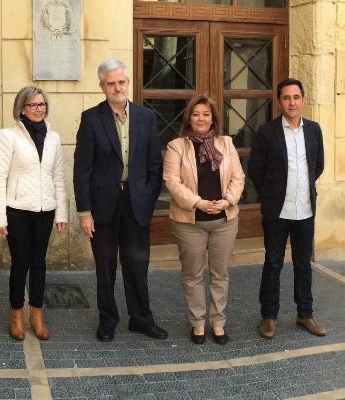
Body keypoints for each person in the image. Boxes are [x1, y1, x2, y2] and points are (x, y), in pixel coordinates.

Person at [73, 59, 166, 342]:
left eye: (121, 82)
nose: (117, 87)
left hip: (136, 202)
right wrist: (84, 211)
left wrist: (148, 199)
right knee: (105, 266)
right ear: (102, 87)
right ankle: (108, 321)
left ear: (128, 83)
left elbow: (154, 165)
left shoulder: (145, 117)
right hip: (102, 205)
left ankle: (141, 318)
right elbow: (82, 168)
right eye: (111, 83)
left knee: (137, 264)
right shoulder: (91, 119)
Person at [163, 95, 245, 345]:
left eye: (206, 114)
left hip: (225, 220)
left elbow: (238, 177)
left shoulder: (227, 143)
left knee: (220, 274)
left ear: (213, 118)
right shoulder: (176, 146)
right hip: (189, 222)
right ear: (189, 117)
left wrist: (228, 201)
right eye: (196, 114)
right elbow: (172, 182)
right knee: (193, 274)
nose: (201, 118)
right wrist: (197, 202)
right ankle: (198, 323)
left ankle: (218, 322)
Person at [248, 78, 326, 339]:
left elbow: (318, 165)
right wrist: (271, 194)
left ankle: (306, 314)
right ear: (279, 101)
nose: (292, 102)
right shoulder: (267, 131)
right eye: (286, 97)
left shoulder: (314, 130)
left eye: (296, 97)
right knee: (272, 264)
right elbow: (256, 170)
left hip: (305, 210)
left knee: (303, 266)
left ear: (302, 99)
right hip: (277, 212)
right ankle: (269, 317)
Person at [0, 85, 67, 341]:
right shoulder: (7, 135)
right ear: (22, 108)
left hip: (45, 210)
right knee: (20, 263)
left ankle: (36, 314)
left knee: (39, 263)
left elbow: (58, 175)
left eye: (42, 104)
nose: (39, 109)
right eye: (33, 105)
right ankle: (16, 315)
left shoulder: (53, 137)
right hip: (17, 210)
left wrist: (62, 213)